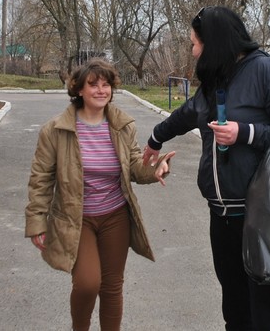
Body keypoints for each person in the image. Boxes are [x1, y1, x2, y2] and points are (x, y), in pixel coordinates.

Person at [141, 6, 270, 331]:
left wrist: (245, 133)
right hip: (221, 217)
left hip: (263, 216)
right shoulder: (215, 80)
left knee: (265, 315)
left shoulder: (269, 73)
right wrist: (155, 138)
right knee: (234, 312)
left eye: (195, 43)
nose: (192, 51)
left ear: (214, 43)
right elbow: (189, 112)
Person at [25, 59, 175, 331]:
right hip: (76, 218)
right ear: (79, 90)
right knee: (86, 283)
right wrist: (37, 221)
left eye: (106, 85)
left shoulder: (121, 125)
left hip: (115, 217)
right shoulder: (55, 130)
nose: (101, 90)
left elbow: (133, 165)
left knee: (111, 286)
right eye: (93, 84)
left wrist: (156, 168)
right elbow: (41, 180)